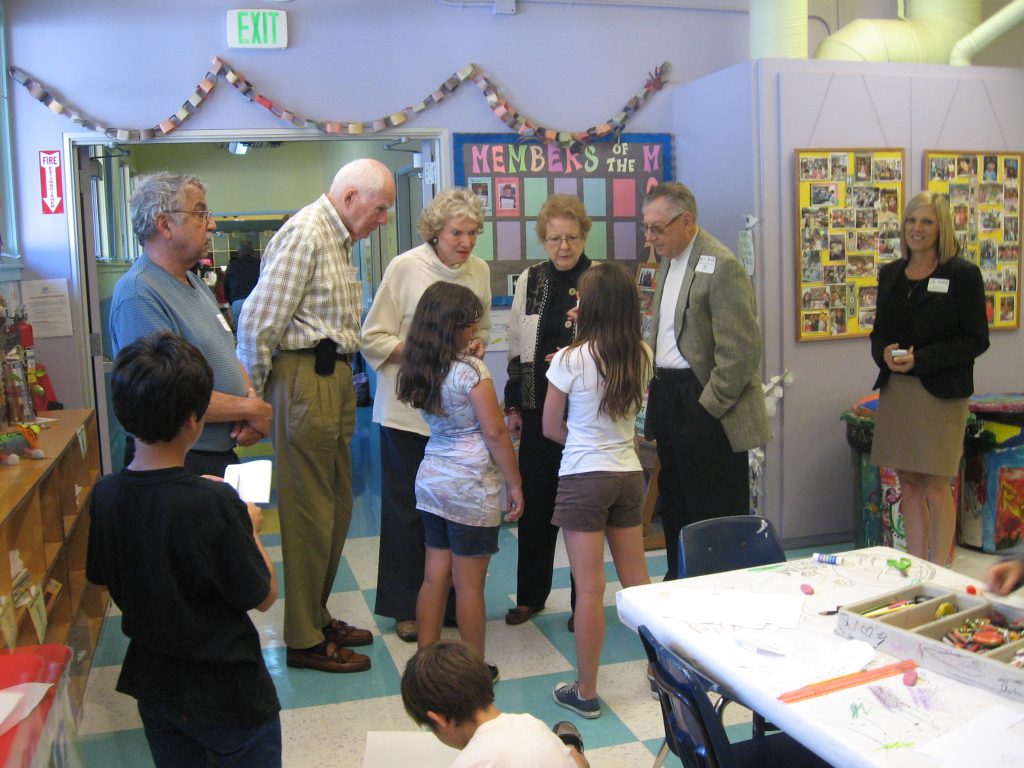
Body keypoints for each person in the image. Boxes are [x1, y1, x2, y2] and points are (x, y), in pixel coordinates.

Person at [86, 332, 281, 768]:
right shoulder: (214, 503)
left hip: (154, 683)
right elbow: (264, 596)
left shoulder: (106, 494)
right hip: (229, 690)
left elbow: (103, 576)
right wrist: (248, 527)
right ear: (195, 420)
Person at [236, 158, 396, 672]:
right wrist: (253, 402)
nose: (384, 219)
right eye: (380, 207)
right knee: (308, 513)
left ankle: (316, 613)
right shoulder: (305, 233)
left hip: (332, 379)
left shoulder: (338, 239)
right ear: (350, 197)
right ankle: (302, 637)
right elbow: (258, 322)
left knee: (336, 508)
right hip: (302, 378)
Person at [361, 188, 491, 643]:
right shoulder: (404, 268)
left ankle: (454, 603)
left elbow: (484, 328)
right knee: (407, 513)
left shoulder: (479, 271)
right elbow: (372, 336)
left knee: (458, 513)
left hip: (457, 422)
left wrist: (475, 345)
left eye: (473, 233)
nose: (466, 242)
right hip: (407, 413)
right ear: (436, 232)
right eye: (457, 232)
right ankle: (405, 606)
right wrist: (426, 351)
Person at [641, 182, 770, 581]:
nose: (650, 237)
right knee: (675, 499)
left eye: (658, 228)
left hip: (705, 400)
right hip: (667, 394)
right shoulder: (665, 260)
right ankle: (680, 575)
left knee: (712, 505)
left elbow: (742, 352)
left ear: (687, 221)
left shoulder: (721, 263)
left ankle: (718, 584)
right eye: (646, 227)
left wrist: (708, 406)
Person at [542, 262, 653, 720]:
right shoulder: (642, 353)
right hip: (629, 474)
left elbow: (551, 427)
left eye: (579, 299)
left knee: (589, 590)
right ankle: (660, 675)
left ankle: (586, 691)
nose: (573, 304)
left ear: (591, 307)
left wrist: (585, 444)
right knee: (639, 584)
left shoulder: (570, 359)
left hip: (585, 477)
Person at [395, 282, 523, 675]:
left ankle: (425, 661)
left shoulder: (421, 366)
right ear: (452, 326)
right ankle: (473, 669)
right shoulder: (472, 372)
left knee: (435, 577)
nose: (475, 332)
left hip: (433, 478)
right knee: (469, 586)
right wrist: (515, 482)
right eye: (468, 324)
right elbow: (496, 432)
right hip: (471, 486)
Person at [108, 172, 271, 477]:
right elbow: (166, 396)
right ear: (164, 224)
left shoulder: (194, 283)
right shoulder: (139, 294)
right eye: (199, 213)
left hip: (214, 453)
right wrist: (251, 410)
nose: (211, 224)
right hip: (177, 465)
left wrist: (249, 403)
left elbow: (228, 353)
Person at [869, 190, 989, 565]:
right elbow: (879, 334)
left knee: (936, 484)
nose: (917, 229)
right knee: (908, 482)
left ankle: (940, 571)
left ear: (941, 228)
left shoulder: (962, 275)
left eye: (926, 222)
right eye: (911, 221)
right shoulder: (890, 274)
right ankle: (916, 566)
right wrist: (885, 353)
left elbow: (975, 340)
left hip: (941, 392)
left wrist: (921, 359)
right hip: (899, 391)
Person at [504, 195, 591, 629]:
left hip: (585, 417)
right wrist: (514, 402)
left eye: (572, 237)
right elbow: (518, 341)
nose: (563, 246)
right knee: (535, 506)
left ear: (584, 236)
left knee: (579, 512)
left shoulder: (599, 279)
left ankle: (584, 606)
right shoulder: (531, 279)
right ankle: (530, 597)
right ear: (542, 240)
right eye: (555, 238)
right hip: (539, 410)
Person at [401, 640, 588, 768]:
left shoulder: (469, 763)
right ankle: (573, 747)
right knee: (571, 754)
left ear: (438, 719)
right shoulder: (531, 722)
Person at [223, 239, 261, 323]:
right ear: (252, 252)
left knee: (239, 333)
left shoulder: (232, 266)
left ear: (238, 252)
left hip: (238, 302)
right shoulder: (259, 264)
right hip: (256, 302)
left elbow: (226, 286)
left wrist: (232, 301)